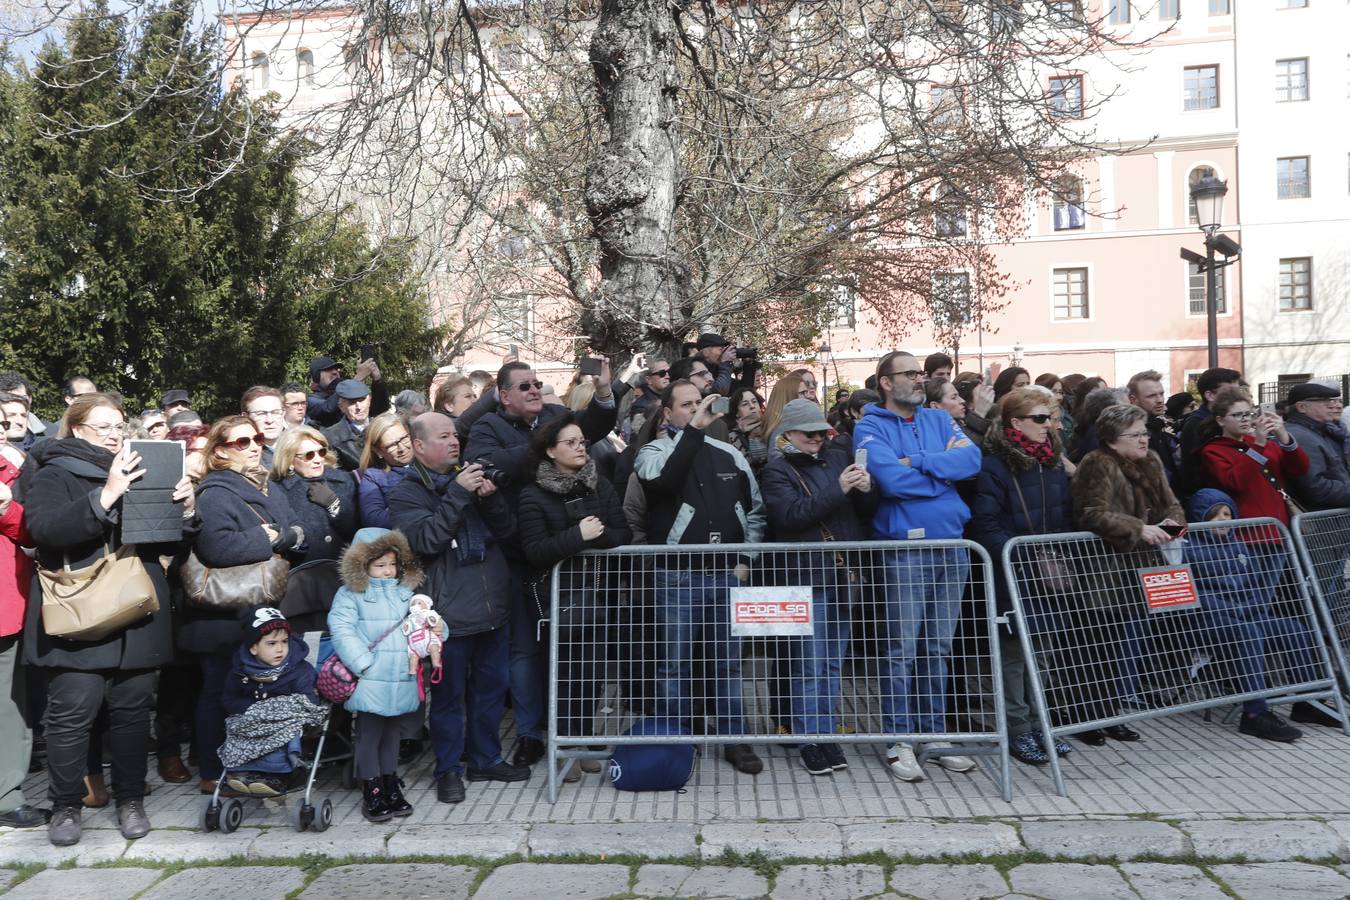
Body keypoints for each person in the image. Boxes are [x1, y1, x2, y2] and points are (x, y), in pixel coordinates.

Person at [24, 394, 194, 846]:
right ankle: (65, 807)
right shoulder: (52, 471)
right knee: (71, 715)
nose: (115, 434)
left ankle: (131, 800)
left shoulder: (142, 463)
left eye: (119, 425)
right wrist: (107, 495)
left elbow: (172, 540)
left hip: (137, 603)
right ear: (77, 429)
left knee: (134, 713)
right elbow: (46, 530)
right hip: (82, 607)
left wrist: (186, 507)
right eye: (104, 427)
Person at [464, 361, 617, 768]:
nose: (535, 390)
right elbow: (485, 465)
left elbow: (590, 428)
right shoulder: (487, 428)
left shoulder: (553, 416)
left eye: (538, 384)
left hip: (566, 551)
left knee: (576, 651)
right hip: (515, 552)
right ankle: (531, 734)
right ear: (503, 395)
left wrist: (602, 393)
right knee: (525, 648)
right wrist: (543, 444)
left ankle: (570, 735)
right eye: (525, 386)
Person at [387, 412, 528, 804]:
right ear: (418, 446)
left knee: (489, 691)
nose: (455, 442)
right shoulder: (406, 491)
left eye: (455, 435)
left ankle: (486, 758)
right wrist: (459, 495)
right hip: (447, 616)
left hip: (492, 607)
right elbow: (426, 542)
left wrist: (491, 498)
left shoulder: (467, 480)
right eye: (444, 436)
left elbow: (508, 533)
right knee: (448, 700)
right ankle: (448, 768)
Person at [854, 351, 981, 781]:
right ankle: (899, 739)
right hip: (904, 550)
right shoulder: (869, 425)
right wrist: (941, 474)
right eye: (909, 374)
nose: (919, 379)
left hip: (953, 547)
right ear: (886, 382)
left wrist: (921, 462)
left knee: (937, 648)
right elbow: (889, 479)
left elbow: (971, 462)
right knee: (901, 650)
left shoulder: (939, 419)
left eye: (920, 374)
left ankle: (934, 735)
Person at [634, 380, 767, 775]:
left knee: (727, 664)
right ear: (668, 413)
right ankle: (678, 739)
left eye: (700, 402)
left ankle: (734, 738)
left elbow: (755, 510)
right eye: (687, 405)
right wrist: (692, 433)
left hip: (725, 576)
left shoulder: (729, 454)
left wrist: (746, 559)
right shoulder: (653, 451)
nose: (697, 409)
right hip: (677, 578)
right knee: (674, 665)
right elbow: (661, 482)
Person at [183, 415, 304, 795]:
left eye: (255, 438)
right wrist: (268, 537)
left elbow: (300, 533)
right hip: (223, 614)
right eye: (241, 442)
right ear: (219, 451)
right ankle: (213, 773)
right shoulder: (215, 492)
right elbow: (216, 547)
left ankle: (253, 768)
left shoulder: (266, 486)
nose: (254, 446)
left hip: (257, 607)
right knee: (220, 693)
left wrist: (279, 535)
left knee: (250, 695)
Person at [759, 400, 877, 776]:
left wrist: (867, 488)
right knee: (807, 665)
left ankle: (825, 731)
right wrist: (840, 489)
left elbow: (862, 514)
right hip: (805, 580)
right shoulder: (777, 470)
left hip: (842, 577)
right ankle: (809, 736)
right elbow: (791, 517)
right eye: (808, 432)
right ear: (788, 434)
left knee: (830, 664)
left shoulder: (835, 459)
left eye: (821, 432)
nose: (816, 438)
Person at [516, 414, 631, 781]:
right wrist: (577, 537)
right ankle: (562, 748)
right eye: (570, 442)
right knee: (563, 675)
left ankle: (581, 745)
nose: (580, 447)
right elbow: (534, 550)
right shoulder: (533, 493)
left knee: (593, 674)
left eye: (581, 441)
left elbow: (622, 533)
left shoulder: (600, 485)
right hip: (558, 599)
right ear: (550, 451)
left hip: (598, 598)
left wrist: (592, 538)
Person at [968, 388, 1076, 766]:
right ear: (1016, 423)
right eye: (1040, 419)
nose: (1049, 426)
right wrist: (1023, 556)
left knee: (1043, 654)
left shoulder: (1052, 462)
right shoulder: (994, 464)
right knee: (1014, 655)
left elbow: (1064, 512)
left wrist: (1061, 553)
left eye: (1051, 418)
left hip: (1051, 572)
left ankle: (1040, 724)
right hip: (1012, 571)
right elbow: (984, 522)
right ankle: (1018, 730)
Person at [1071, 403, 1186, 745]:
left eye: (1144, 433)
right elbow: (1090, 513)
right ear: (1111, 438)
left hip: (1143, 566)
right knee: (1093, 645)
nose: (1143, 440)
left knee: (1122, 642)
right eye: (1134, 434)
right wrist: (1139, 528)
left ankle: (1111, 712)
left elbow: (1172, 502)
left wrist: (1172, 526)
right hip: (1104, 568)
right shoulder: (1097, 463)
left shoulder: (1151, 461)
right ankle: (1086, 715)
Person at [1184, 490, 1313, 743]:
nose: (1223, 519)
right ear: (1200, 518)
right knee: (1249, 631)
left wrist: (1251, 605)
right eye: (1214, 516)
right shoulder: (1187, 548)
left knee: (1293, 629)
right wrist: (1235, 609)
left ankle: (1307, 701)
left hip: (1244, 616)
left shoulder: (1239, 545)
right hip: (1208, 623)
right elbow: (1193, 594)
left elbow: (1255, 586)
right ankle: (1254, 714)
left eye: (1227, 513)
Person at [329, 527, 439, 821]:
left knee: (393, 733)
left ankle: (390, 782)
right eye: (380, 565)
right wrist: (363, 663)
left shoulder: (405, 594)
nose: (388, 571)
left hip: (401, 675)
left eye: (392, 564)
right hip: (370, 677)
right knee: (369, 733)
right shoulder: (351, 595)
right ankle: (372, 787)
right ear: (362, 565)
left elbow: (423, 623)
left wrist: (438, 630)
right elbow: (341, 629)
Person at [219, 609, 324, 796]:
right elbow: (229, 699)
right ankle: (243, 773)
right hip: (249, 720)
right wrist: (253, 710)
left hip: (285, 723)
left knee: (284, 731)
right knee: (235, 726)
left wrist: (275, 710)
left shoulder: (300, 670)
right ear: (254, 648)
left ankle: (277, 776)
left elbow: (309, 700)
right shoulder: (240, 671)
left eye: (284, 641)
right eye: (271, 643)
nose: (280, 649)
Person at [271, 426, 358, 631]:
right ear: (290, 459)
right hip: (301, 587)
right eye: (309, 455)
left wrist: (334, 504)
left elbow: (356, 528)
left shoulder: (342, 481)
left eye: (321, 451)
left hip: (342, 579)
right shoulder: (277, 489)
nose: (318, 459)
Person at [0, 445, 45, 829]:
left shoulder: (13, 474)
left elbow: (34, 533)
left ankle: (6, 797)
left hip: (5, 608)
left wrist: (5, 508)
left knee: (8, 707)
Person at [1196, 385, 1307, 531]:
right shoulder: (1213, 450)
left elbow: (1299, 469)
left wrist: (1284, 436)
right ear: (1220, 420)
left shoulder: (1262, 444)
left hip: (1282, 526)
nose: (1244, 419)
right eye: (1236, 415)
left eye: (1248, 414)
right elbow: (1236, 482)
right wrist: (1259, 443)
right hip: (1249, 531)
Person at [1284, 382, 1350, 511]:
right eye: (1323, 401)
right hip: (1323, 522)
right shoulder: (1300, 437)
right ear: (1302, 407)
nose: (1332, 405)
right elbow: (1315, 488)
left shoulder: (1321, 432)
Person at [1178, 367, 1242, 496]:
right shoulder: (1196, 425)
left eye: (1238, 392)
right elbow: (1196, 472)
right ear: (1210, 395)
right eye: (1229, 393)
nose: (1236, 398)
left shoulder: (1233, 419)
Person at [357, 413, 415, 529]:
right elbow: (373, 519)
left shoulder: (431, 458)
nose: (402, 448)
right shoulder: (373, 477)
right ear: (378, 451)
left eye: (404, 438)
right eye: (392, 445)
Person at [1126, 370, 1181, 490]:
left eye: (1161, 394)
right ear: (1133, 399)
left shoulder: (1157, 426)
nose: (1160, 400)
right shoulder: (1128, 433)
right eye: (1151, 396)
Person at [307, 354, 389, 429]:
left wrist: (378, 380)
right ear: (317, 376)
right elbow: (327, 408)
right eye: (328, 370)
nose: (335, 372)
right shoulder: (311, 400)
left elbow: (379, 409)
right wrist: (358, 377)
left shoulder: (347, 393)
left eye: (336, 369)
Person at [323, 379, 382, 472]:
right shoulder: (330, 437)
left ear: (369, 400)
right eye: (352, 402)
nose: (359, 407)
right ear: (341, 406)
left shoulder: (383, 428)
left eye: (362, 400)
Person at [241, 386, 287, 469]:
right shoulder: (242, 457)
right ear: (246, 417)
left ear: (283, 413)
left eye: (275, 412)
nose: (269, 420)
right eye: (261, 414)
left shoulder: (303, 445)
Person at [725, 389, 769, 472]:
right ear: (737, 412)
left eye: (754, 401)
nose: (752, 406)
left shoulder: (770, 428)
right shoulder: (732, 437)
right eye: (745, 404)